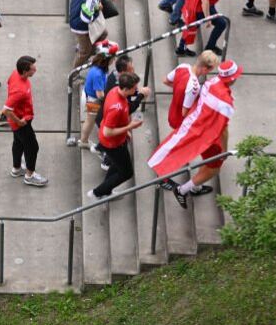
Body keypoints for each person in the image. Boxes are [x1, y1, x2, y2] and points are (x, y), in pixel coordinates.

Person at [152, 59, 241, 208]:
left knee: (207, 160)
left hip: (197, 127)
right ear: (232, 79)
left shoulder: (210, 82)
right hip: (208, 135)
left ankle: (195, 186)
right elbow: (223, 129)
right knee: (214, 167)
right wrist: (224, 150)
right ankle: (183, 190)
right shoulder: (225, 102)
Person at [88, 73, 143, 199]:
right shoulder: (116, 107)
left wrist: (125, 131)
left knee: (116, 164)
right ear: (125, 89)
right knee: (127, 173)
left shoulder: (115, 91)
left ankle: (106, 190)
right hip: (112, 144)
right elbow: (108, 132)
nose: (136, 90)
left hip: (117, 141)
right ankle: (98, 192)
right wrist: (130, 127)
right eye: (134, 88)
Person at [2, 55, 46, 186]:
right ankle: (30, 175)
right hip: (21, 122)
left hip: (20, 119)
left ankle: (16, 169)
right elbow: (5, 110)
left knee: (18, 143)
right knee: (33, 147)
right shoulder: (19, 90)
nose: (35, 70)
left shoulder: (15, 73)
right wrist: (19, 121)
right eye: (32, 69)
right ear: (25, 71)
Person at [163, 50, 220, 131]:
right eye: (210, 70)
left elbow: (165, 81)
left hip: (172, 112)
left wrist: (181, 89)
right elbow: (184, 113)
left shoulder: (182, 66)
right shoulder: (194, 86)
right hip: (180, 122)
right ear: (204, 69)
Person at [68, 0, 104, 68]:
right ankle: (74, 76)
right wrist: (98, 8)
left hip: (75, 18)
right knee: (84, 52)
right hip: (80, 26)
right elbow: (87, 18)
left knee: (103, 33)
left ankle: (89, 52)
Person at [74, 52, 112, 148]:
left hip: (89, 96)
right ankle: (84, 141)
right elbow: (100, 95)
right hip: (93, 101)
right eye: (112, 59)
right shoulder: (98, 74)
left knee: (90, 120)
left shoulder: (96, 67)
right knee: (90, 121)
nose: (114, 60)